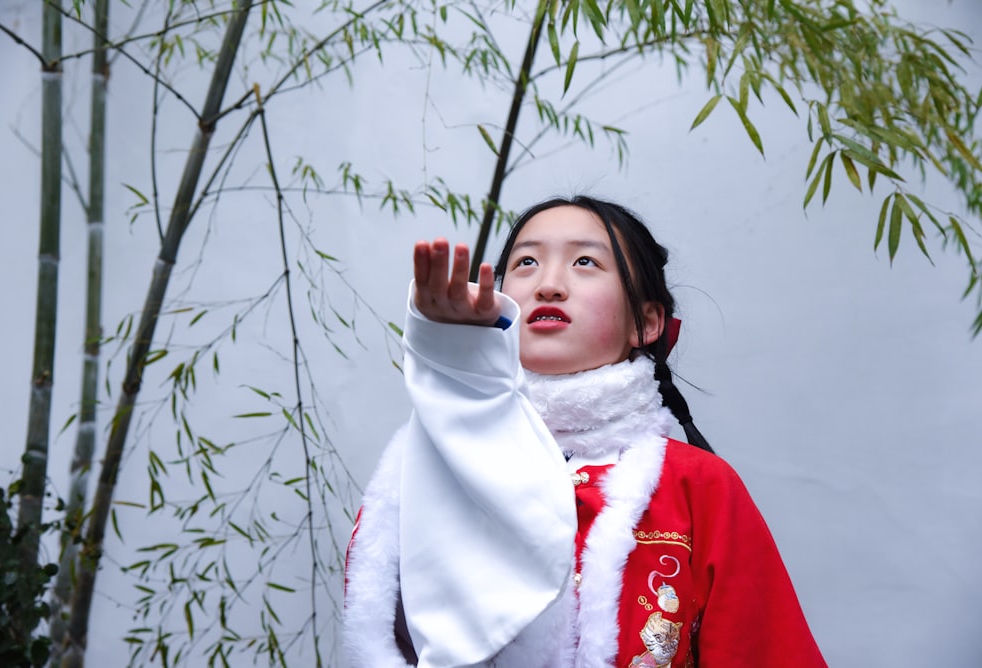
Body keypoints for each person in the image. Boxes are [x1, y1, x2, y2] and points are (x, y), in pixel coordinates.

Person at [343, 196, 826, 667]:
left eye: (585, 263)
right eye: (527, 262)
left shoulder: (698, 485)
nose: (549, 284)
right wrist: (456, 374)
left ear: (648, 321)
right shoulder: (433, 465)